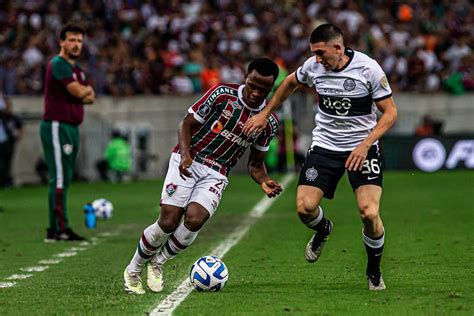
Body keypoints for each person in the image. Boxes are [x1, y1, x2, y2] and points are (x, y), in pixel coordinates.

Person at [244, 24, 398, 290]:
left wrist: (365, 144)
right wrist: (265, 113)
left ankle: (374, 270)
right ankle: (323, 229)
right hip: (325, 146)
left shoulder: (368, 69)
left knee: (369, 212)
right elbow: (290, 83)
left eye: (320, 53)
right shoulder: (314, 67)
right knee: (304, 208)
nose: (316, 59)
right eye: (313, 53)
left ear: (338, 48)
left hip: (362, 147)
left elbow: (390, 113)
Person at [123, 57, 283, 294]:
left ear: (272, 89)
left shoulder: (268, 123)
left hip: (217, 173)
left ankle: (157, 263)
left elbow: (255, 164)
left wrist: (264, 180)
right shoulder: (222, 94)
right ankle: (133, 269)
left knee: (195, 219)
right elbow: (186, 124)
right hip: (188, 160)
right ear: (245, 78)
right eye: (253, 85)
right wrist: (186, 154)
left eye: (264, 89)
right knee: (168, 221)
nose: (257, 93)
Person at [40, 24, 95, 242]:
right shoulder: (58, 65)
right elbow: (80, 92)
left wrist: (84, 92)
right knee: (60, 178)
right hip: (57, 125)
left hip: (71, 127)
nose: (76, 44)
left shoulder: (77, 70)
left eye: (79, 41)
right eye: (72, 40)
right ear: (62, 42)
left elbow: (90, 97)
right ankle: (59, 228)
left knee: (65, 177)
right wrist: (83, 91)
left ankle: (56, 228)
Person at [0, 92, 23, 188]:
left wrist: (19, 136)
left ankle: (7, 181)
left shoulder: (11, 117)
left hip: (6, 141)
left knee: (7, 163)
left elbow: (21, 126)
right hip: (3, 140)